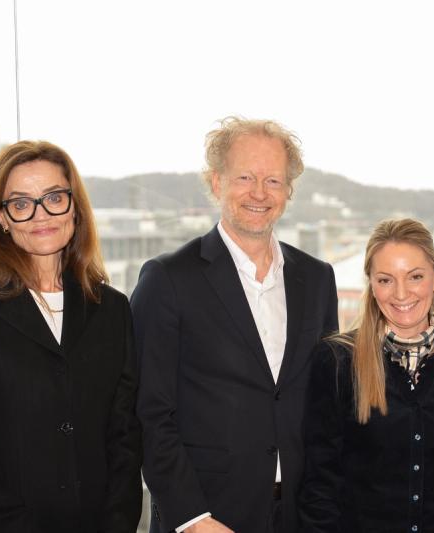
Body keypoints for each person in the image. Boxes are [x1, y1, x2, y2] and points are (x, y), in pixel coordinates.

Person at [131, 116, 338, 533]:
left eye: (273, 180)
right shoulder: (168, 279)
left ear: (288, 190)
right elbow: (147, 412)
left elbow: (324, 406)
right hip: (206, 517)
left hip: (298, 515)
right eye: (245, 177)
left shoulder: (317, 278)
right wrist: (192, 517)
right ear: (216, 182)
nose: (259, 192)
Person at [0, 140, 143, 533]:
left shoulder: (111, 308)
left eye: (54, 197)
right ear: (0, 217)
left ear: (74, 207)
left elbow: (124, 439)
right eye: (21, 203)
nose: (41, 214)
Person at [299, 218, 434, 533]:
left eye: (415, 277)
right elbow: (320, 481)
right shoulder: (337, 361)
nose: (401, 294)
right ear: (372, 285)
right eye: (385, 280)